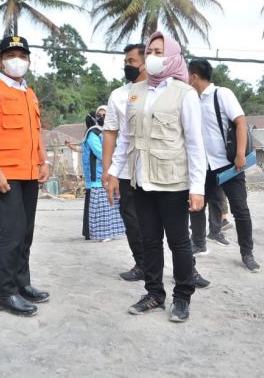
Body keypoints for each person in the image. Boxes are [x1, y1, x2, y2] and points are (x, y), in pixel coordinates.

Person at [106, 31, 207, 322]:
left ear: (173, 56)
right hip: (141, 180)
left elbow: (194, 144)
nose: (152, 57)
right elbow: (126, 139)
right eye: (150, 51)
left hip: (173, 182)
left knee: (179, 242)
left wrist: (197, 188)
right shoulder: (135, 93)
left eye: (159, 52)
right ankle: (154, 293)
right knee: (149, 240)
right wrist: (113, 172)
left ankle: (182, 296)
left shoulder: (184, 92)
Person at [0, 35, 51, 318]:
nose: (16, 60)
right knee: (12, 231)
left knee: (25, 231)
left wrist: (43, 161)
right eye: (10, 55)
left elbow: (36, 132)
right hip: (3, 174)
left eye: (21, 55)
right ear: (0, 60)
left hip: (29, 173)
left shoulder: (29, 94)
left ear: (29, 60)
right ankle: (4, 293)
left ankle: (22, 283)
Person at [187, 59, 260, 272]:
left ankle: (247, 253)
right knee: (196, 205)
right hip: (201, 165)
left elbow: (240, 122)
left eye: (186, 75)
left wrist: (239, 154)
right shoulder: (190, 99)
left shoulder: (222, 94)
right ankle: (199, 243)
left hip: (227, 164)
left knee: (240, 209)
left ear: (193, 76)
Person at [101, 44, 147, 281]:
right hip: (127, 170)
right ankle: (141, 264)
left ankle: (188, 267)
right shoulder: (118, 95)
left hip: (158, 171)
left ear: (145, 62)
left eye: (131, 61)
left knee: (171, 221)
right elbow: (110, 133)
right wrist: (108, 171)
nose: (126, 66)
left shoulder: (165, 91)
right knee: (131, 219)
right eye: (125, 61)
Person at [84, 106, 125, 242]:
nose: (102, 118)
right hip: (98, 175)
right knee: (101, 205)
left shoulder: (112, 132)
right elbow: (99, 153)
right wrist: (117, 159)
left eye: (105, 115)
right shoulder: (93, 133)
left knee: (111, 205)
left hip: (112, 172)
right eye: (99, 115)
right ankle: (102, 233)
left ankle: (110, 232)